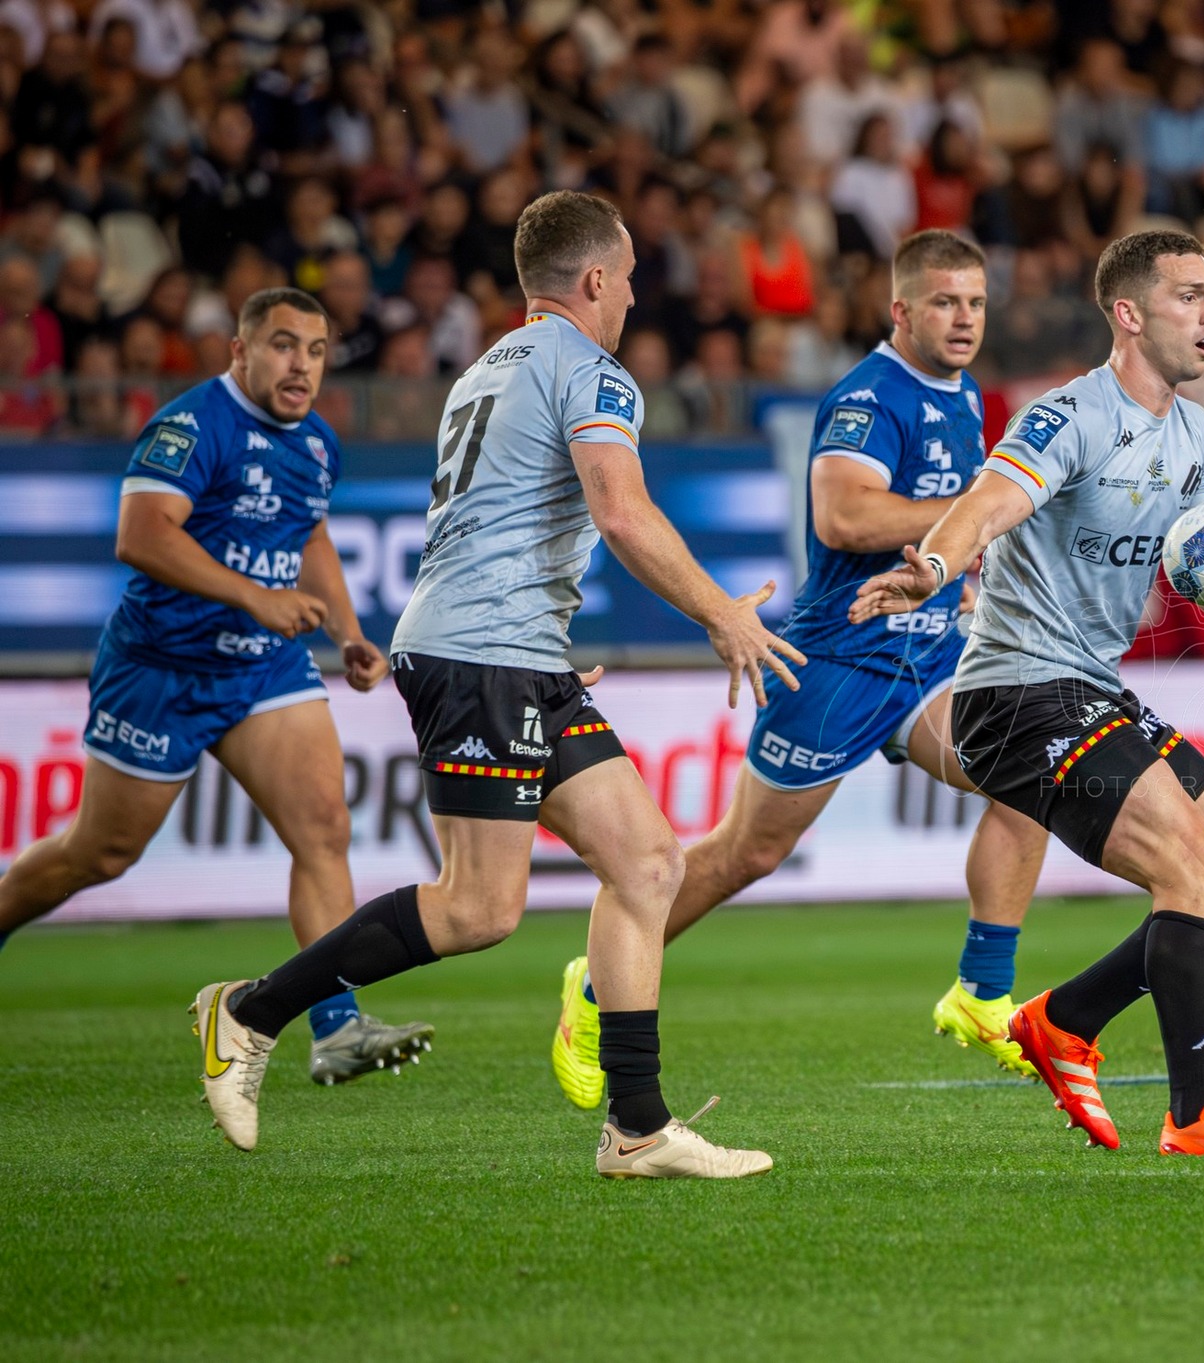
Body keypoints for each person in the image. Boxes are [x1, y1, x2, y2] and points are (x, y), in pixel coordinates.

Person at [191, 192, 805, 1180]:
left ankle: (636, 1127)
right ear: (597, 280)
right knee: (479, 907)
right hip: (484, 654)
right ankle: (249, 1011)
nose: (637, 291)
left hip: (511, 651)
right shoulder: (591, 372)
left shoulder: (486, 367)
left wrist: (542, 648)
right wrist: (721, 612)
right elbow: (623, 513)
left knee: (648, 864)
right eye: (631, 273)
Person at [850, 230, 1204, 1157]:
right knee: (1192, 867)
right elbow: (995, 498)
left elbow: (1199, 549)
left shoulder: (1197, 435)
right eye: (1189, 296)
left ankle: (1064, 1018)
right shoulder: (1067, 415)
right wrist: (935, 566)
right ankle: (1202, 1115)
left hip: (1090, 688)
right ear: (1128, 313)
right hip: (1016, 692)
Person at [549, 230, 1052, 1108]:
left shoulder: (964, 392)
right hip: (839, 662)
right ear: (901, 310)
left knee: (1037, 769)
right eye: (944, 301)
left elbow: (937, 530)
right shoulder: (869, 394)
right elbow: (844, 516)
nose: (964, 317)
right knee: (749, 852)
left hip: (927, 656)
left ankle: (981, 988)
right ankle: (593, 987)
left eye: (974, 301)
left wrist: (964, 574)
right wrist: (979, 510)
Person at [0, 286, 432, 1085]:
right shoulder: (193, 424)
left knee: (325, 827)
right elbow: (140, 534)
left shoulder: (317, 443)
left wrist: (348, 634)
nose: (299, 364)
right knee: (101, 853)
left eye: (314, 348)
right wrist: (253, 594)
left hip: (262, 666)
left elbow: (310, 534)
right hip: (161, 665)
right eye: (281, 344)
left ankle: (335, 1028)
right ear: (239, 351)